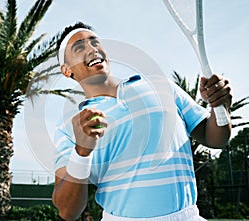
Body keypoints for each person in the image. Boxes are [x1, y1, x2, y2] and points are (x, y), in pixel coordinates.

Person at [52, 22, 232, 221]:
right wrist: (81, 152)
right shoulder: (69, 130)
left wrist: (220, 106)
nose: (92, 49)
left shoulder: (161, 85)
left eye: (95, 42)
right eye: (79, 47)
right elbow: (67, 211)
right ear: (67, 70)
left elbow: (215, 138)